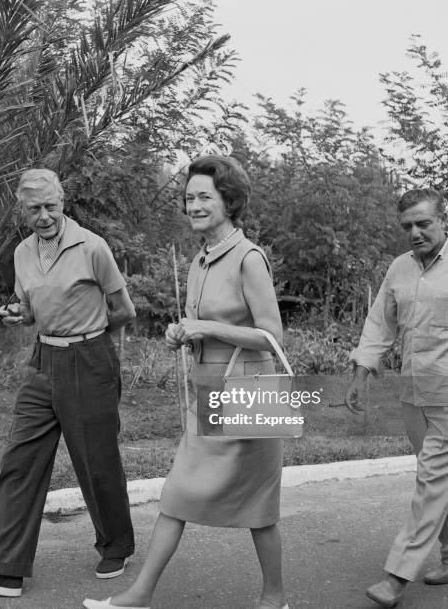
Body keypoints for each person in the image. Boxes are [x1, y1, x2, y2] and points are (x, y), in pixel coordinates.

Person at [83, 155, 288, 609]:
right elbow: (202, 326)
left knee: (259, 508)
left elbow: (272, 336)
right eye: (188, 198)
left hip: (251, 396)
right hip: (209, 393)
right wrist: (183, 333)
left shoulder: (248, 258)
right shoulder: (199, 260)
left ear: (229, 201)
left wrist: (205, 329)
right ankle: (140, 594)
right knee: (176, 493)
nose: (192, 205)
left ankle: (274, 598)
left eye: (203, 197)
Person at [0, 168, 136, 597]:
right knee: (20, 459)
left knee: (96, 461)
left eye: (51, 206)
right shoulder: (22, 253)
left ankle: (116, 544)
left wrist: (90, 339)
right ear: (23, 211)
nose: (45, 215)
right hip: (42, 361)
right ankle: (2, 570)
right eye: (35, 209)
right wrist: (18, 314)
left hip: (89, 359)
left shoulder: (92, 247)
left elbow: (124, 310)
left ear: (62, 202)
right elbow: (30, 307)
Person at [346, 188, 448, 607]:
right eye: (407, 226)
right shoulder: (399, 270)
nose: (415, 233)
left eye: (423, 223)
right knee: (437, 479)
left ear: (443, 219)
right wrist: (360, 374)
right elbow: (378, 326)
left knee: (431, 479)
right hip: (413, 393)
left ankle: (397, 576)